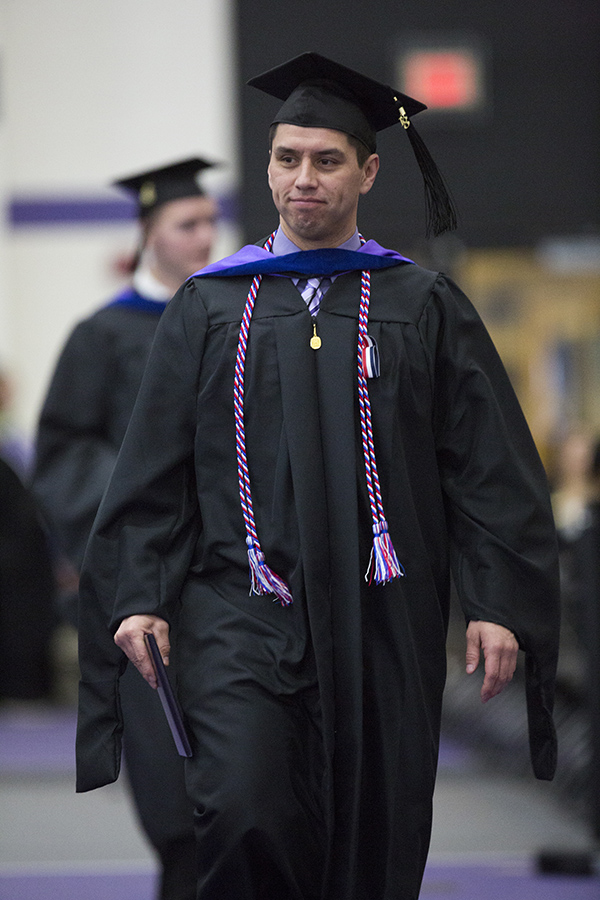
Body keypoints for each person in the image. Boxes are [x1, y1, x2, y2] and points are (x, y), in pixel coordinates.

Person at [75, 53, 561, 900]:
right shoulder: (210, 306)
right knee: (242, 808)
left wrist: (495, 604)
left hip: (384, 609)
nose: (304, 179)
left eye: (327, 160)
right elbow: (155, 465)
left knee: (376, 826)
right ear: (267, 167)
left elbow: (486, 467)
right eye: (286, 158)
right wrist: (140, 592)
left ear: (368, 171)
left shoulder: (421, 303)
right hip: (238, 607)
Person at [32, 156, 220, 900]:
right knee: (173, 800)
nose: (206, 236)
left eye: (210, 221)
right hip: (143, 586)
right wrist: (142, 494)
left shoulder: (231, 317)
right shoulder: (102, 335)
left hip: (230, 586)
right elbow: (63, 453)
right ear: (149, 233)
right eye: (188, 224)